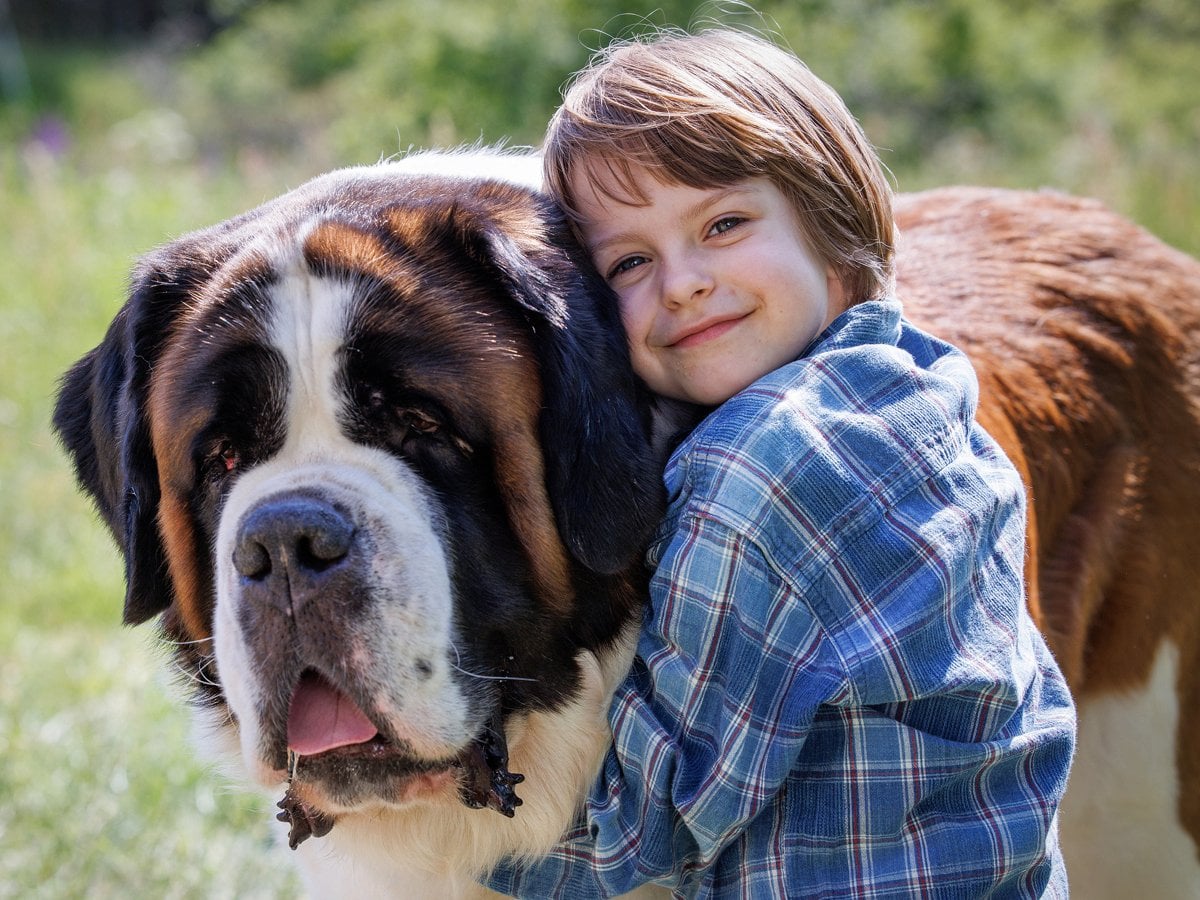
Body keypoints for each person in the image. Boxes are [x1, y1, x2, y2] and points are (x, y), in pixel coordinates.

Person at [486, 27, 1076, 898]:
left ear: (832, 224)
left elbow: (658, 817)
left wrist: (442, 837)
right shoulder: (918, 386)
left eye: (723, 224)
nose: (681, 282)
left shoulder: (764, 474)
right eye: (630, 262)